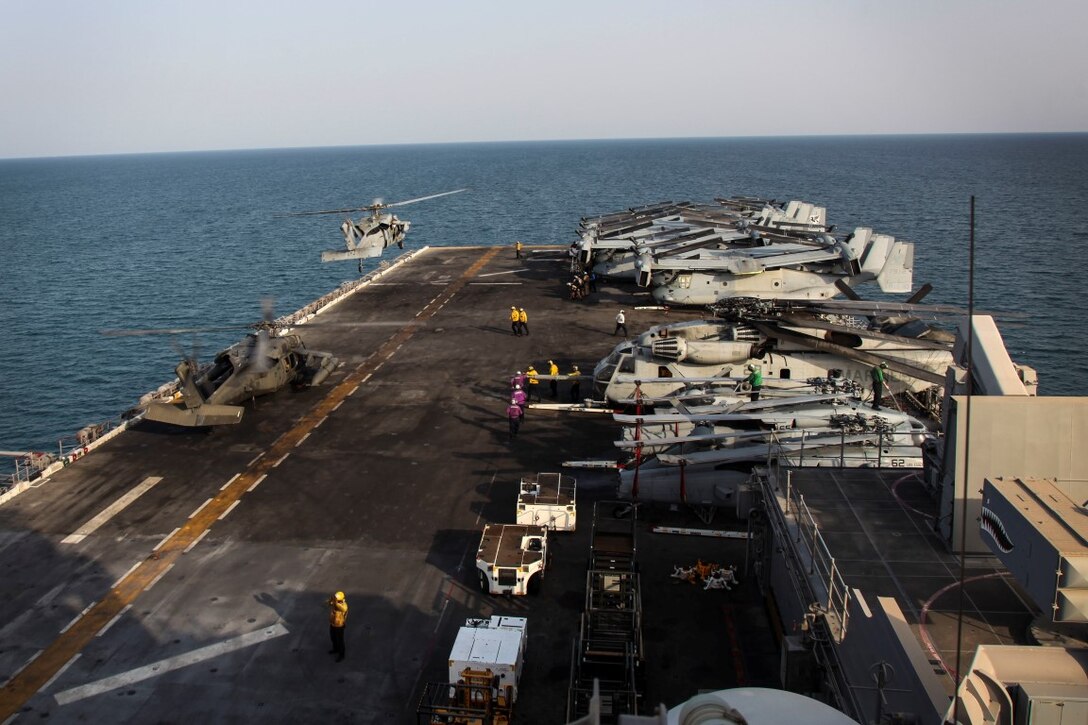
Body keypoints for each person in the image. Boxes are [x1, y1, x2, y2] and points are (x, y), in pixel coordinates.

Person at [327, 591, 348, 662]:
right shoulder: (335, 602)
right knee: (333, 638)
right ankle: (335, 649)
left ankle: (342, 655)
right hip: (333, 623)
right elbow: (328, 603)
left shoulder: (344, 605)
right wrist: (331, 599)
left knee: (340, 641)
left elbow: (343, 609)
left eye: (336, 598)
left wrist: (335, 602)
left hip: (339, 625)